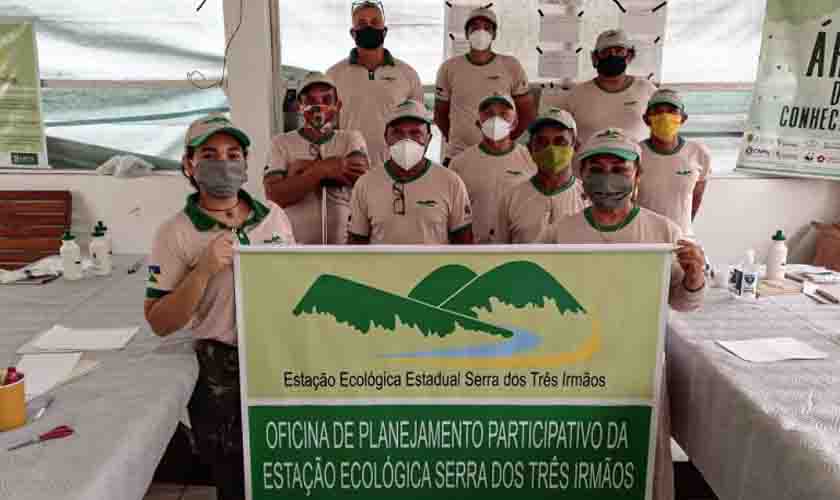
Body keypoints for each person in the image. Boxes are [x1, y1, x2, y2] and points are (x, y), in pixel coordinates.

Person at [540, 128, 706, 500]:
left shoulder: (663, 231)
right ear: (581, 175)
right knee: (580, 461)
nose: (608, 178)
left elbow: (684, 303)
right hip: (577, 367)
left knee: (637, 458)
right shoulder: (560, 234)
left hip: (638, 368)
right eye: (597, 169)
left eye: (619, 169)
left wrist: (694, 275)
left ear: (638, 175)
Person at [144, 115, 295, 500]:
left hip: (277, 357)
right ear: (188, 164)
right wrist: (203, 270)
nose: (223, 163)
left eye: (233, 154)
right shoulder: (175, 232)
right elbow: (159, 322)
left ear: (245, 163)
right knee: (232, 477)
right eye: (209, 154)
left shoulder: (273, 217)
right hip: (220, 374)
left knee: (283, 465)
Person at [264, 71, 369, 244]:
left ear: (338, 105)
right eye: (310, 101)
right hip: (295, 247)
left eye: (326, 100)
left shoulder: (350, 138)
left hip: (344, 247)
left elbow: (361, 179)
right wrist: (324, 169)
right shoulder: (281, 142)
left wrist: (301, 170)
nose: (319, 106)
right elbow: (275, 195)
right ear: (299, 106)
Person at [349, 100, 474, 244]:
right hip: (383, 261)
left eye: (415, 133)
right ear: (386, 138)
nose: (406, 140)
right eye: (397, 133)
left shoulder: (451, 183)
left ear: (429, 139)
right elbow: (356, 244)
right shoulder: (365, 184)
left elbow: (464, 244)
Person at [327, 0, 424, 169]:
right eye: (362, 23)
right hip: (349, 169)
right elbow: (327, 128)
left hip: (395, 169)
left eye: (374, 22)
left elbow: (419, 126)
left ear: (384, 31)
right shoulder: (333, 75)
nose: (369, 27)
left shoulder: (407, 74)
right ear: (353, 33)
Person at [434, 6, 536, 164]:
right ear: (467, 34)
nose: (480, 32)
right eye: (475, 27)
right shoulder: (449, 67)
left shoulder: (511, 65)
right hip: (458, 154)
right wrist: (456, 139)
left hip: (498, 155)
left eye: (487, 28)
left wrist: (505, 139)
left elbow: (527, 112)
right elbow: (440, 114)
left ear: (494, 34)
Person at [450, 94, 536, 243]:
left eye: (503, 114)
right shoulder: (459, 163)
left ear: (515, 123)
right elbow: (453, 214)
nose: (496, 119)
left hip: (518, 247)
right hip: (475, 248)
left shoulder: (531, 160)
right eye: (489, 114)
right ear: (478, 123)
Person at [496, 108, 588, 243]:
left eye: (560, 141)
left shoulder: (589, 197)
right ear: (530, 148)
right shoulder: (511, 198)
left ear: (576, 146)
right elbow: (499, 250)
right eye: (542, 142)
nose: (551, 149)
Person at [560, 29, 657, 145]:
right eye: (605, 52)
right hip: (588, 156)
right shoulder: (577, 94)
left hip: (636, 156)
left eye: (619, 51)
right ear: (595, 57)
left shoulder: (647, 89)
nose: (612, 55)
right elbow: (563, 135)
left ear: (630, 56)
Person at [638, 88, 711, 236]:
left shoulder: (699, 152)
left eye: (672, 111)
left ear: (683, 118)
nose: (664, 116)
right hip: (643, 236)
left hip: (681, 237)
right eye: (657, 111)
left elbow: (696, 197)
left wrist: (682, 230)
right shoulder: (635, 153)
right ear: (646, 119)